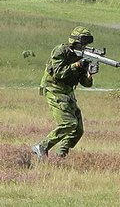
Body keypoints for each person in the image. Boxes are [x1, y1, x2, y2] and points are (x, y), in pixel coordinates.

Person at [32, 26, 97, 158]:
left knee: (78, 130)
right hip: (54, 89)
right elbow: (59, 73)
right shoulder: (61, 51)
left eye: (86, 44)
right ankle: (42, 146)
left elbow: (86, 84)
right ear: (75, 42)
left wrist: (89, 73)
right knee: (68, 123)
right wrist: (77, 65)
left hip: (67, 93)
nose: (84, 47)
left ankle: (60, 156)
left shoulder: (81, 57)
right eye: (82, 44)